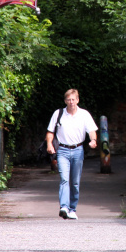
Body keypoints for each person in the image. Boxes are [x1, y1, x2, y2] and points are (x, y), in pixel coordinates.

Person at [46, 89, 98, 220]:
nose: (71, 102)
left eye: (73, 99)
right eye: (68, 100)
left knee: (75, 182)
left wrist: (93, 140)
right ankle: (64, 207)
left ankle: (72, 209)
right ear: (65, 101)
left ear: (77, 100)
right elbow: (50, 131)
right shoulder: (58, 114)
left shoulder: (84, 114)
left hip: (78, 150)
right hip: (62, 150)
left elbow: (92, 131)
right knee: (64, 179)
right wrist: (49, 144)